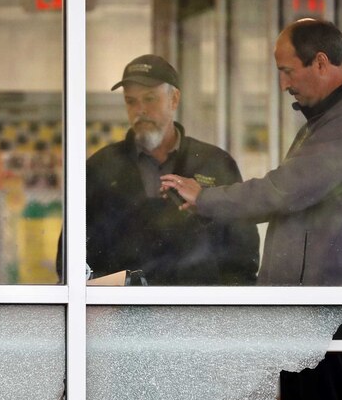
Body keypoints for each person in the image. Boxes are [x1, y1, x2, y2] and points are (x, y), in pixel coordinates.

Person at [161, 19, 342, 286]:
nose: (283, 84)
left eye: (288, 71)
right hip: (310, 303)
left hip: (325, 308)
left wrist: (205, 198)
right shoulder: (330, 119)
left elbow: (284, 191)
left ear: (320, 62)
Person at [80, 54, 259, 285]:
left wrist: (229, 312)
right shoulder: (102, 167)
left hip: (198, 312)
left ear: (174, 99)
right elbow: (74, 253)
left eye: (150, 98)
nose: (140, 110)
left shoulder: (214, 164)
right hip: (123, 313)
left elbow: (242, 250)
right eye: (131, 101)